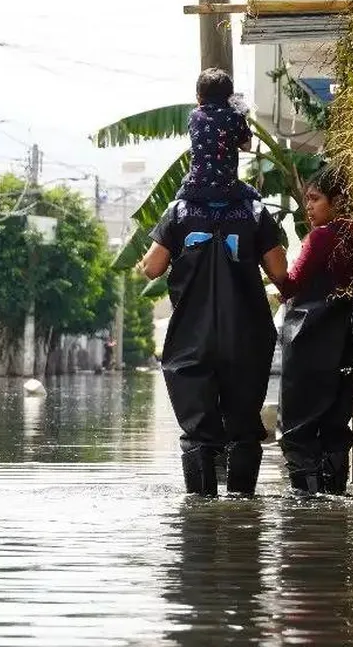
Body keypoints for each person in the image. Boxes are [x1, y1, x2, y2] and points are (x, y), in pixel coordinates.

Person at [139, 182, 289, 497]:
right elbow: (278, 271)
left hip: (191, 340)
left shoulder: (178, 212)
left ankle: (201, 518)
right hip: (245, 338)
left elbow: (152, 268)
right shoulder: (255, 212)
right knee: (244, 429)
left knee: (198, 432)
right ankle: (243, 513)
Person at [275, 162, 353, 495]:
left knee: (298, 429)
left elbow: (291, 285)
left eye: (316, 199)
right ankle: (334, 498)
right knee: (335, 425)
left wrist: (271, 270)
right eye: (306, 199)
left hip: (311, 342)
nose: (308, 206)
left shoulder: (320, 238)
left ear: (338, 201)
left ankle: (307, 510)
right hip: (349, 344)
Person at [174, 68, 254, 204]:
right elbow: (247, 146)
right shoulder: (236, 115)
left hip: (195, 188)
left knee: (175, 203)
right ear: (230, 97)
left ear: (199, 97)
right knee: (255, 197)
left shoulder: (193, 116)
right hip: (229, 188)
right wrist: (243, 115)